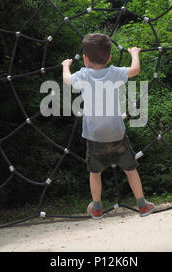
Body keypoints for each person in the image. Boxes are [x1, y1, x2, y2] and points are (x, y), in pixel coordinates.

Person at [62, 33, 155, 219]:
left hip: (95, 137)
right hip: (117, 134)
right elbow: (135, 69)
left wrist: (66, 66)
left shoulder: (83, 75)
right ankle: (142, 204)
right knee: (130, 169)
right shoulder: (114, 73)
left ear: (85, 58)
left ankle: (96, 207)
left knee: (95, 173)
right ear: (110, 57)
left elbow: (67, 80)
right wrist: (134, 53)